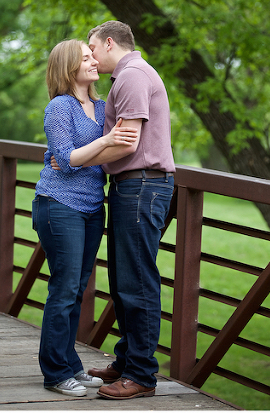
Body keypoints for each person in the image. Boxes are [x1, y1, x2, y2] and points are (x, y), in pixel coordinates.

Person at [33, 40, 138, 396]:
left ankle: (70, 365)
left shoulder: (102, 106)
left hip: (93, 207)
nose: (95, 61)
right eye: (87, 57)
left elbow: (106, 152)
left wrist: (88, 152)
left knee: (77, 290)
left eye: (93, 56)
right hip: (59, 205)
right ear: (69, 66)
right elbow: (64, 160)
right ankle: (55, 373)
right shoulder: (59, 107)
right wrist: (104, 142)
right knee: (63, 290)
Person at [81, 20, 176, 400]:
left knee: (136, 281)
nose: (90, 56)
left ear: (109, 43)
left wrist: (76, 161)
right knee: (123, 281)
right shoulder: (127, 76)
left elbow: (128, 142)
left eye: (92, 48)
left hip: (142, 186)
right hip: (132, 186)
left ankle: (141, 375)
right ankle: (126, 361)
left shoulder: (133, 75)